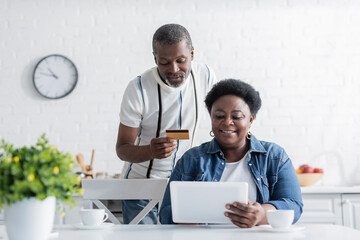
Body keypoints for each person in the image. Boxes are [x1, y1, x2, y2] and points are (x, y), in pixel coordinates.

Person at [159, 79, 303, 228]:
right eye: (219, 116)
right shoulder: (191, 159)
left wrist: (261, 214)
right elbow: (165, 213)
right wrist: (191, 214)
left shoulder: (274, 156)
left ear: (250, 119)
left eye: (236, 116)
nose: (227, 122)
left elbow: (294, 205)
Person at [116, 23, 217, 224]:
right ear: (155, 58)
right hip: (140, 188)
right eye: (164, 62)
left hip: (187, 184)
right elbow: (122, 149)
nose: (174, 69)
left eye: (181, 60)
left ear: (192, 54)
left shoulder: (205, 75)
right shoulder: (138, 89)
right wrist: (150, 151)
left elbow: (220, 119)